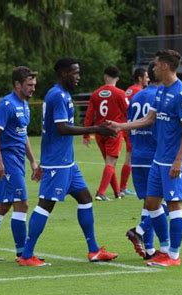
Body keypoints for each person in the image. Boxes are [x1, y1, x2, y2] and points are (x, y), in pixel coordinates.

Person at [18, 58, 118, 266]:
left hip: (67, 162)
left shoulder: (63, 94)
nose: (78, 76)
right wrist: (96, 129)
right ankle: (27, 255)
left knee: (85, 199)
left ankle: (93, 250)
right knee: (46, 205)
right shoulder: (56, 95)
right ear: (63, 73)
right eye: (75, 73)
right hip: (57, 163)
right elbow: (62, 128)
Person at [109, 49, 182, 267]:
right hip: (158, 159)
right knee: (152, 202)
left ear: (164, 66)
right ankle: (163, 249)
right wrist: (120, 126)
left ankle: (174, 255)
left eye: (155, 65)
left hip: (173, 161)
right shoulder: (160, 92)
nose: (152, 68)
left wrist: (178, 160)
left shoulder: (181, 93)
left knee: (174, 205)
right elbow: (148, 119)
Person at [0, 66, 39, 261]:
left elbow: (23, 134)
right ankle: (23, 253)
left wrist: (33, 161)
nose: (33, 88)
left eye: (34, 85)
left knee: (2, 205)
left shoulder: (25, 104)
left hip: (18, 160)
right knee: (23, 203)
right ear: (17, 84)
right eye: (29, 85)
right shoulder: (7, 104)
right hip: (8, 160)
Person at [124, 62, 162, 260]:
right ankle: (139, 230)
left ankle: (149, 250)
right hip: (155, 155)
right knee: (164, 202)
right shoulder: (161, 95)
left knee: (149, 203)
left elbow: (130, 125)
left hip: (138, 155)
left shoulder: (137, 96)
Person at [83, 66, 128, 201]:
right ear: (117, 78)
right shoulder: (120, 93)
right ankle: (101, 193)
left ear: (105, 76)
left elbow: (89, 115)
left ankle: (117, 192)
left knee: (109, 163)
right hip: (114, 130)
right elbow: (128, 111)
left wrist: (86, 134)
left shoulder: (96, 93)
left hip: (99, 131)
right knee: (110, 162)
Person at [120, 67, 149, 196]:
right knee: (130, 157)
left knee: (129, 157)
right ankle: (123, 187)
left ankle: (122, 186)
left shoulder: (129, 90)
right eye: (146, 76)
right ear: (140, 78)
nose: (148, 79)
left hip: (128, 127)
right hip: (135, 129)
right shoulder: (139, 92)